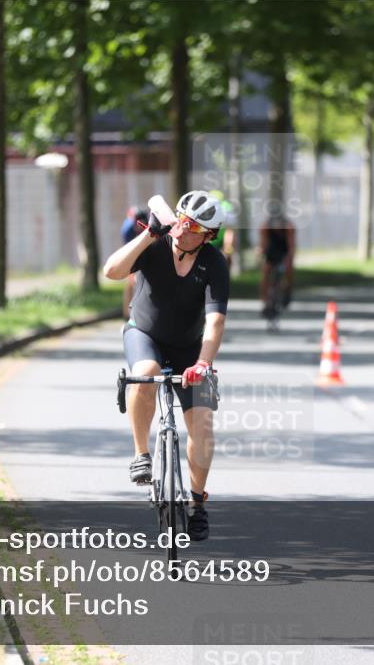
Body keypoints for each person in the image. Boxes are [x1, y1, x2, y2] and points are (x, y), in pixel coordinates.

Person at [101, 190, 229, 541]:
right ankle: (142, 454)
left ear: (207, 235)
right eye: (181, 220)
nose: (182, 229)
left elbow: (215, 322)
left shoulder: (214, 263)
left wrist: (203, 363)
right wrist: (149, 233)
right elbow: (111, 271)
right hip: (145, 334)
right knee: (144, 375)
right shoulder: (156, 244)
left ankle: (197, 503)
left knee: (202, 426)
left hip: (190, 348)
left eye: (192, 226)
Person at [258, 214, 296, 316]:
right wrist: (261, 253)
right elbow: (263, 244)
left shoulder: (289, 228)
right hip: (271, 252)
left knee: (289, 270)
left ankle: (287, 291)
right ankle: (265, 302)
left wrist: (288, 260)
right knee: (265, 274)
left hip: (284, 251)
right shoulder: (265, 227)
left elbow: (291, 247)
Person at [120, 207, 147, 317]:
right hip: (131, 246)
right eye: (138, 225)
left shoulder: (150, 225)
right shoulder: (127, 230)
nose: (139, 227)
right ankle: (126, 313)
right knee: (130, 281)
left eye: (142, 225)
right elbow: (128, 249)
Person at [207, 190, 236, 269]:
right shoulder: (226, 206)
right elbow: (230, 229)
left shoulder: (225, 207)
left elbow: (229, 230)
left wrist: (228, 246)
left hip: (219, 237)